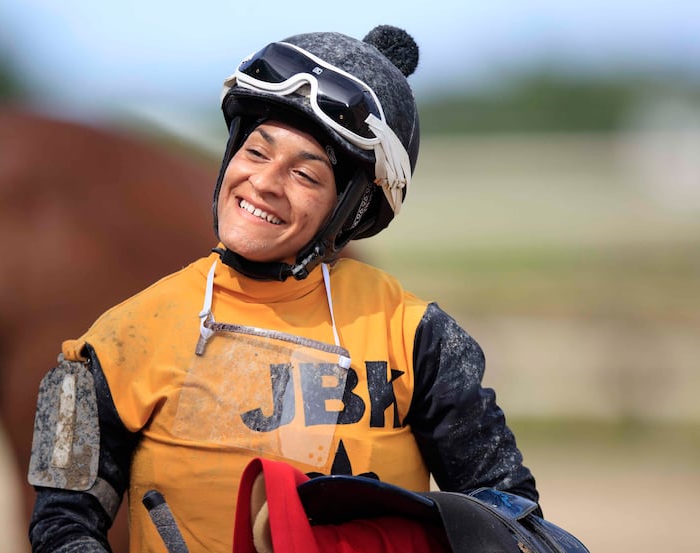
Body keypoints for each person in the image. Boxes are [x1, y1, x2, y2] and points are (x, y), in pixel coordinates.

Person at [28, 25, 540, 553]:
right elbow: (58, 527)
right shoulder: (116, 338)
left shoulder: (418, 337)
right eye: (255, 152)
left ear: (350, 210)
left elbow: (513, 523)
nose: (265, 182)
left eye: (305, 174)